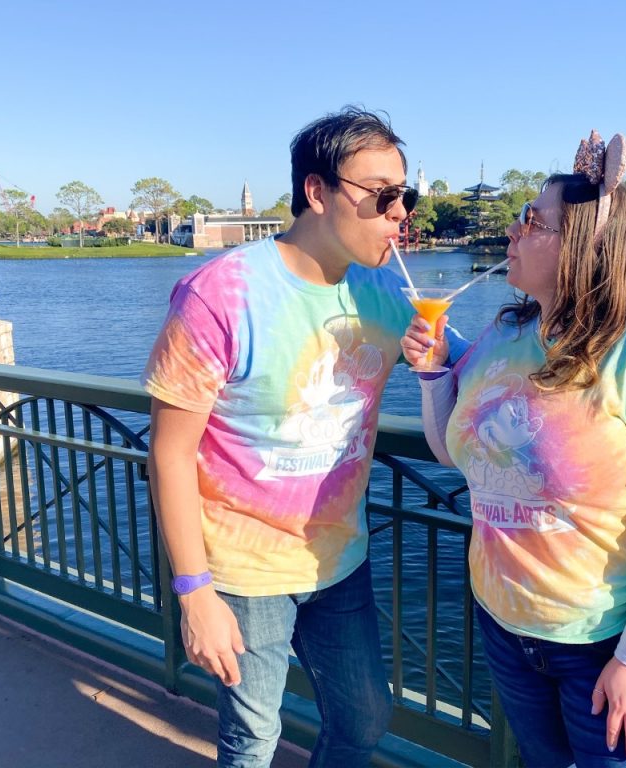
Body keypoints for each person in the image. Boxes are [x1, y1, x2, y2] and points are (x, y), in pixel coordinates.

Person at [143, 106, 467, 768]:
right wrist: (194, 591)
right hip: (243, 568)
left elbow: (482, 367)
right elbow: (169, 452)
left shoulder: (390, 290)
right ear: (317, 192)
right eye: (382, 197)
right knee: (252, 743)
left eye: (405, 196)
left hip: (339, 560)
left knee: (366, 719)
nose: (400, 213)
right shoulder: (220, 295)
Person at [402, 130, 626, 767]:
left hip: (613, 642)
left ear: (585, 243)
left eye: (533, 219)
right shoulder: (504, 332)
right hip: (509, 630)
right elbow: (452, 455)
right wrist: (436, 375)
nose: (515, 231)